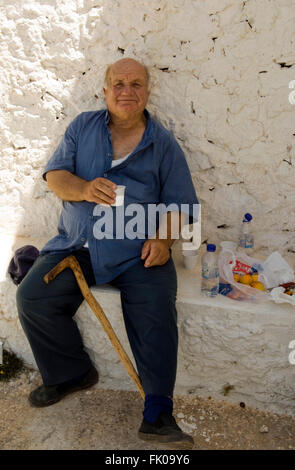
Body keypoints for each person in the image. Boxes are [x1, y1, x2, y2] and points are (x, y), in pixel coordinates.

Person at [16, 58, 198, 449]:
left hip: (137, 250)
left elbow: (180, 204)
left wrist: (164, 241)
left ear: (148, 92)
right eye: (118, 83)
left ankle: (158, 412)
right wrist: (82, 190)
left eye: (135, 84)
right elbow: (55, 176)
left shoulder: (162, 143)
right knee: (33, 296)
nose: (126, 91)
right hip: (78, 244)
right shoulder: (83, 126)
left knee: (155, 309)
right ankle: (70, 373)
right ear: (105, 89)